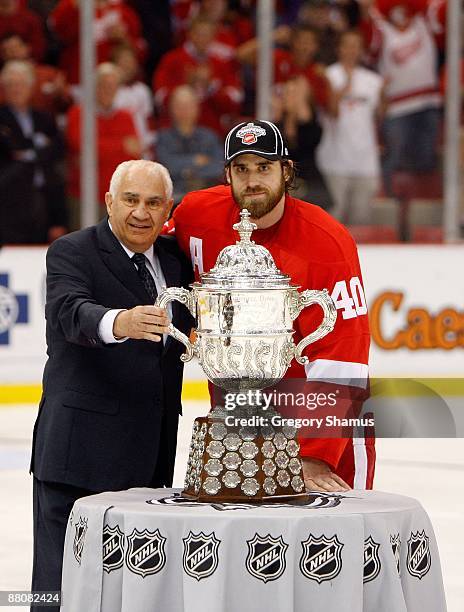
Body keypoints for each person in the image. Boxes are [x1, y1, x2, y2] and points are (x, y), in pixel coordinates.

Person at [168, 120, 373, 493]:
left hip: (320, 438)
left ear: (286, 170)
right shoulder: (195, 214)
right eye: (242, 169)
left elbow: (345, 353)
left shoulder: (328, 242)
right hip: (236, 427)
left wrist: (313, 456)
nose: (252, 181)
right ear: (227, 173)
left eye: (264, 167)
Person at [29, 159, 194, 612]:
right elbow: (69, 312)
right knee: (56, 589)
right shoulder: (72, 251)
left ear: (168, 210)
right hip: (78, 455)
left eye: (153, 202)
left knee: (132, 592)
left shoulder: (176, 263)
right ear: (108, 201)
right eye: (131, 200)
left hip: (150, 457)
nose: (141, 212)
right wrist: (119, 321)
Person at [316, 30, 384, 224]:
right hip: (334, 160)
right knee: (331, 222)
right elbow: (330, 113)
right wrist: (340, 90)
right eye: (347, 45)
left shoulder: (373, 80)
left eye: (356, 46)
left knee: (362, 221)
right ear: (339, 48)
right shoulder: (327, 75)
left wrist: (385, 95)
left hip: (365, 162)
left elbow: (380, 116)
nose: (351, 50)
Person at [0, 60, 68, 244]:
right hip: (9, 205)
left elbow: (56, 152)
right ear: (4, 89)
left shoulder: (44, 118)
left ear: (31, 88)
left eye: (21, 84)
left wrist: (58, 218)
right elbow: (9, 150)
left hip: (44, 201)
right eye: (11, 84)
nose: (16, 89)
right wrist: (37, 149)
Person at [66, 62, 141, 227]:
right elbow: (83, 148)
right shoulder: (78, 114)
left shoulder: (125, 116)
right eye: (104, 85)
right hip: (84, 196)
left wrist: (99, 147)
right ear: (94, 87)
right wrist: (121, 146)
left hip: (118, 198)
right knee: (82, 248)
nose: (109, 90)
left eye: (113, 86)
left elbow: (135, 152)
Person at [156, 84, 223, 202]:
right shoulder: (163, 138)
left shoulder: (209, 136)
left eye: (188, 106)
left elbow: (219, 167)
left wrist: (185, 170)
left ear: (197, 108)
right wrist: (195, 160)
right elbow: (165, 167)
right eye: (179, 106)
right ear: (171, 108)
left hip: (206, 198)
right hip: (173, 199)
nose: (184, 111)